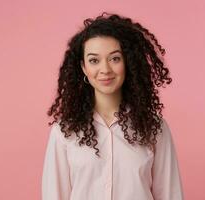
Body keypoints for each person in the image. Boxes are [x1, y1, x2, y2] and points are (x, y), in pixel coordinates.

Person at [42, 11, 184, 200]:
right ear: (84, 67)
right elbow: (54, 196)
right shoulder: (64, 131)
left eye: (115, 58)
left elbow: (170, 195)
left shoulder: (155, 128)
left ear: (128, 63)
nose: (105, 69)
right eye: (94, 60)